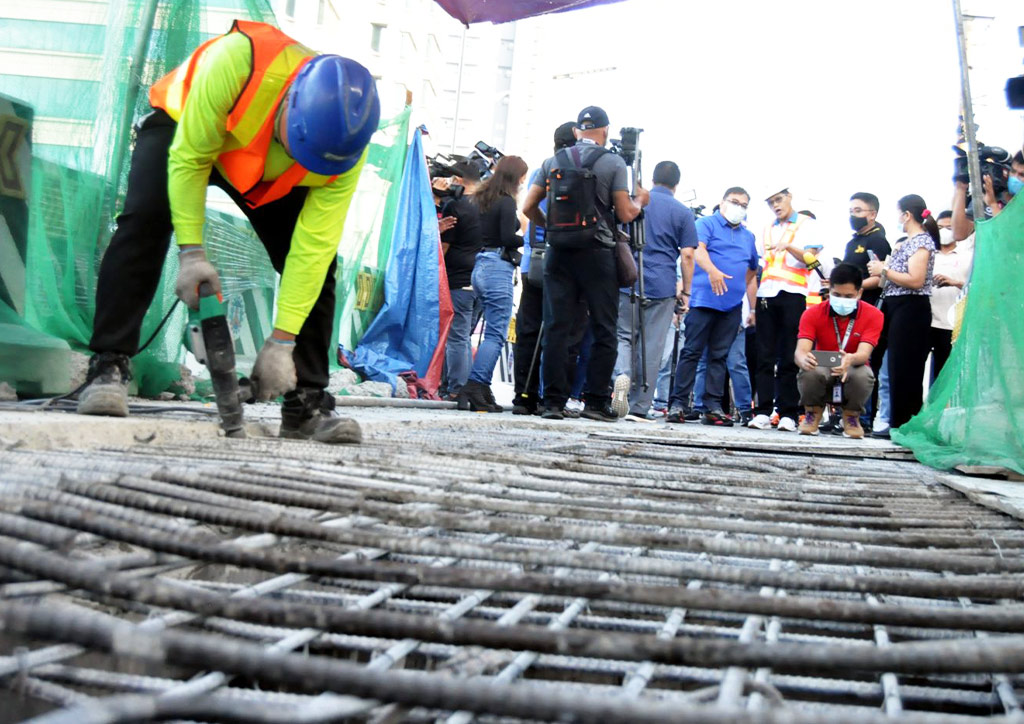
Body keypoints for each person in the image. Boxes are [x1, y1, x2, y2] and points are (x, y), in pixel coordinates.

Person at [76, 20, 378, 444]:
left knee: (320, 265)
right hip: (185, 127)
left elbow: (313, 247)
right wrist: (192, 253)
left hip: (264, 169)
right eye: (298, 146)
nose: (302, 159)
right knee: (144, 218)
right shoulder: (236, 63)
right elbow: (188, 160)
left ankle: (305, 402)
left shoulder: (345, 148)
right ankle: (108, 366)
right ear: (290, 102)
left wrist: (282, 340)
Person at [522, 105, 649, 421]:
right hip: (597, 253)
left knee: (556, 327)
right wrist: (640, 201)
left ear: (578, 131)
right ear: (605, 132)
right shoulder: (614, 163)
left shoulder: (552, 162)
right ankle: (594, 402)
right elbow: (624, 212)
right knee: (604, 327)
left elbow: (527, 207)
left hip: (559, 252)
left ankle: (552, 402)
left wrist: (550, 227)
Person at [612, 160, 696, 418]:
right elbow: (688, 256)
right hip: (661, 285)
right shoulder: (683, 212)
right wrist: (686, 292)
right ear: (676, 184)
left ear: (652, 179)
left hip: (628, 278)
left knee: (623, 335)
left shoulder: (636, 203)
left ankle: (620, 377)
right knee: (652, 345)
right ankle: (639, 407)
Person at [667, 187, 757, 426]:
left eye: (744, 205)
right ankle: (678, 404)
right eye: (734, 202)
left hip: (731, 306)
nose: (739, 207)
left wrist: (737, 286)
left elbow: (752, 268)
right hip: (704, 301)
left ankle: (713, 406)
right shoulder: (706, 224)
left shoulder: (748, 237)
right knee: (692, 352)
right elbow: (697, 251)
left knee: (719, 356)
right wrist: (713, 272)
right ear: (723, 201)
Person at [512, 121, 582, 415]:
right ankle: (553, 397)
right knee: (564, 332)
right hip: (563, 262)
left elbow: (528, 209)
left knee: (529, 330)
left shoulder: (543, 169)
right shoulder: (573, 172)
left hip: (533, 262)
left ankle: (523, 396)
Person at [458, 155, 529, 412]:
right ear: (516, 177)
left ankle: (482, 386)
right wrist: (527, 237)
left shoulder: (485, 198)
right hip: (497, 267)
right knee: (496, 333)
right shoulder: (507, 202)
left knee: (491, 329)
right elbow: (507, 237)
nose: (524, 180)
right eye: (523, 176)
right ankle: (475, 385)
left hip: (482, 264)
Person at [749, 187, 821, 432]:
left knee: (791, 354)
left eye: (779, 199)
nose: (776, 206)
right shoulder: (767, 228)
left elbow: (813, 259)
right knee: (765, 355)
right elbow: (762, 263)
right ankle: (762, 411)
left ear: (790, 196)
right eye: (771, 202)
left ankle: (789, 412)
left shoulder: (806, 224)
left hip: (794, 295)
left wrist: (789, 247)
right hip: (767, 294)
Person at [867, 194, 936, 430]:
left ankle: (905, 423)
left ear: (907, 215)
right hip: (894, 305)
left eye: (899, 213)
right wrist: (880, 270)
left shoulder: (922, 242)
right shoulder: (904, 243)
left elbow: (915, 280)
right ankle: (895, 420)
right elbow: (886, 282)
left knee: (907, 368)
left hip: (911, 307)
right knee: (894, 367)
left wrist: (884, 269)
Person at [794, 264, 883, 439]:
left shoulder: (874, 315)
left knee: (864, 375)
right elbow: (800, 351)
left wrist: (850, 359)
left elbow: (864, 353)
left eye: (849, 296)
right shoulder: (812, 313)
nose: (842, 300)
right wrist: (803, 360)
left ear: (859, 293)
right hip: (823, 363)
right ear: (829, 291)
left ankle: (851, 417)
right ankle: (812, 413)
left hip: (853, 364)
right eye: (836, 295)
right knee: (809, 370)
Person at [438, 162, 483, 401]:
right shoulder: (489, 206)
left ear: (458, 179)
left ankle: (456, 388)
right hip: (481, 279)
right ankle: (455, 386)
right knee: (464, 336)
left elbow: (444, 247)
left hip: (458, 279)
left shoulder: (455, 207)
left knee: (456, 336)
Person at [929, 222, 971, 381]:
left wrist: (954, 282)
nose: (944, 231)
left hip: (952, 324)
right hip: (928, 321)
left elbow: (976, 284)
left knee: (944, 374)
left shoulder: (967, 254)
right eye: (939, 227)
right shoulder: (927, 253)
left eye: (949, 226)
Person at [841, 192, 890, 308]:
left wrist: (853, 286)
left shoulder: (877, 240)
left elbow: (881, 278)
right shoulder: (852, 242)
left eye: (858, 211)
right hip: (848, 301)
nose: (853, 215)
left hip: (867, 303)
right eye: (851, 211)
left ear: (873, 214)